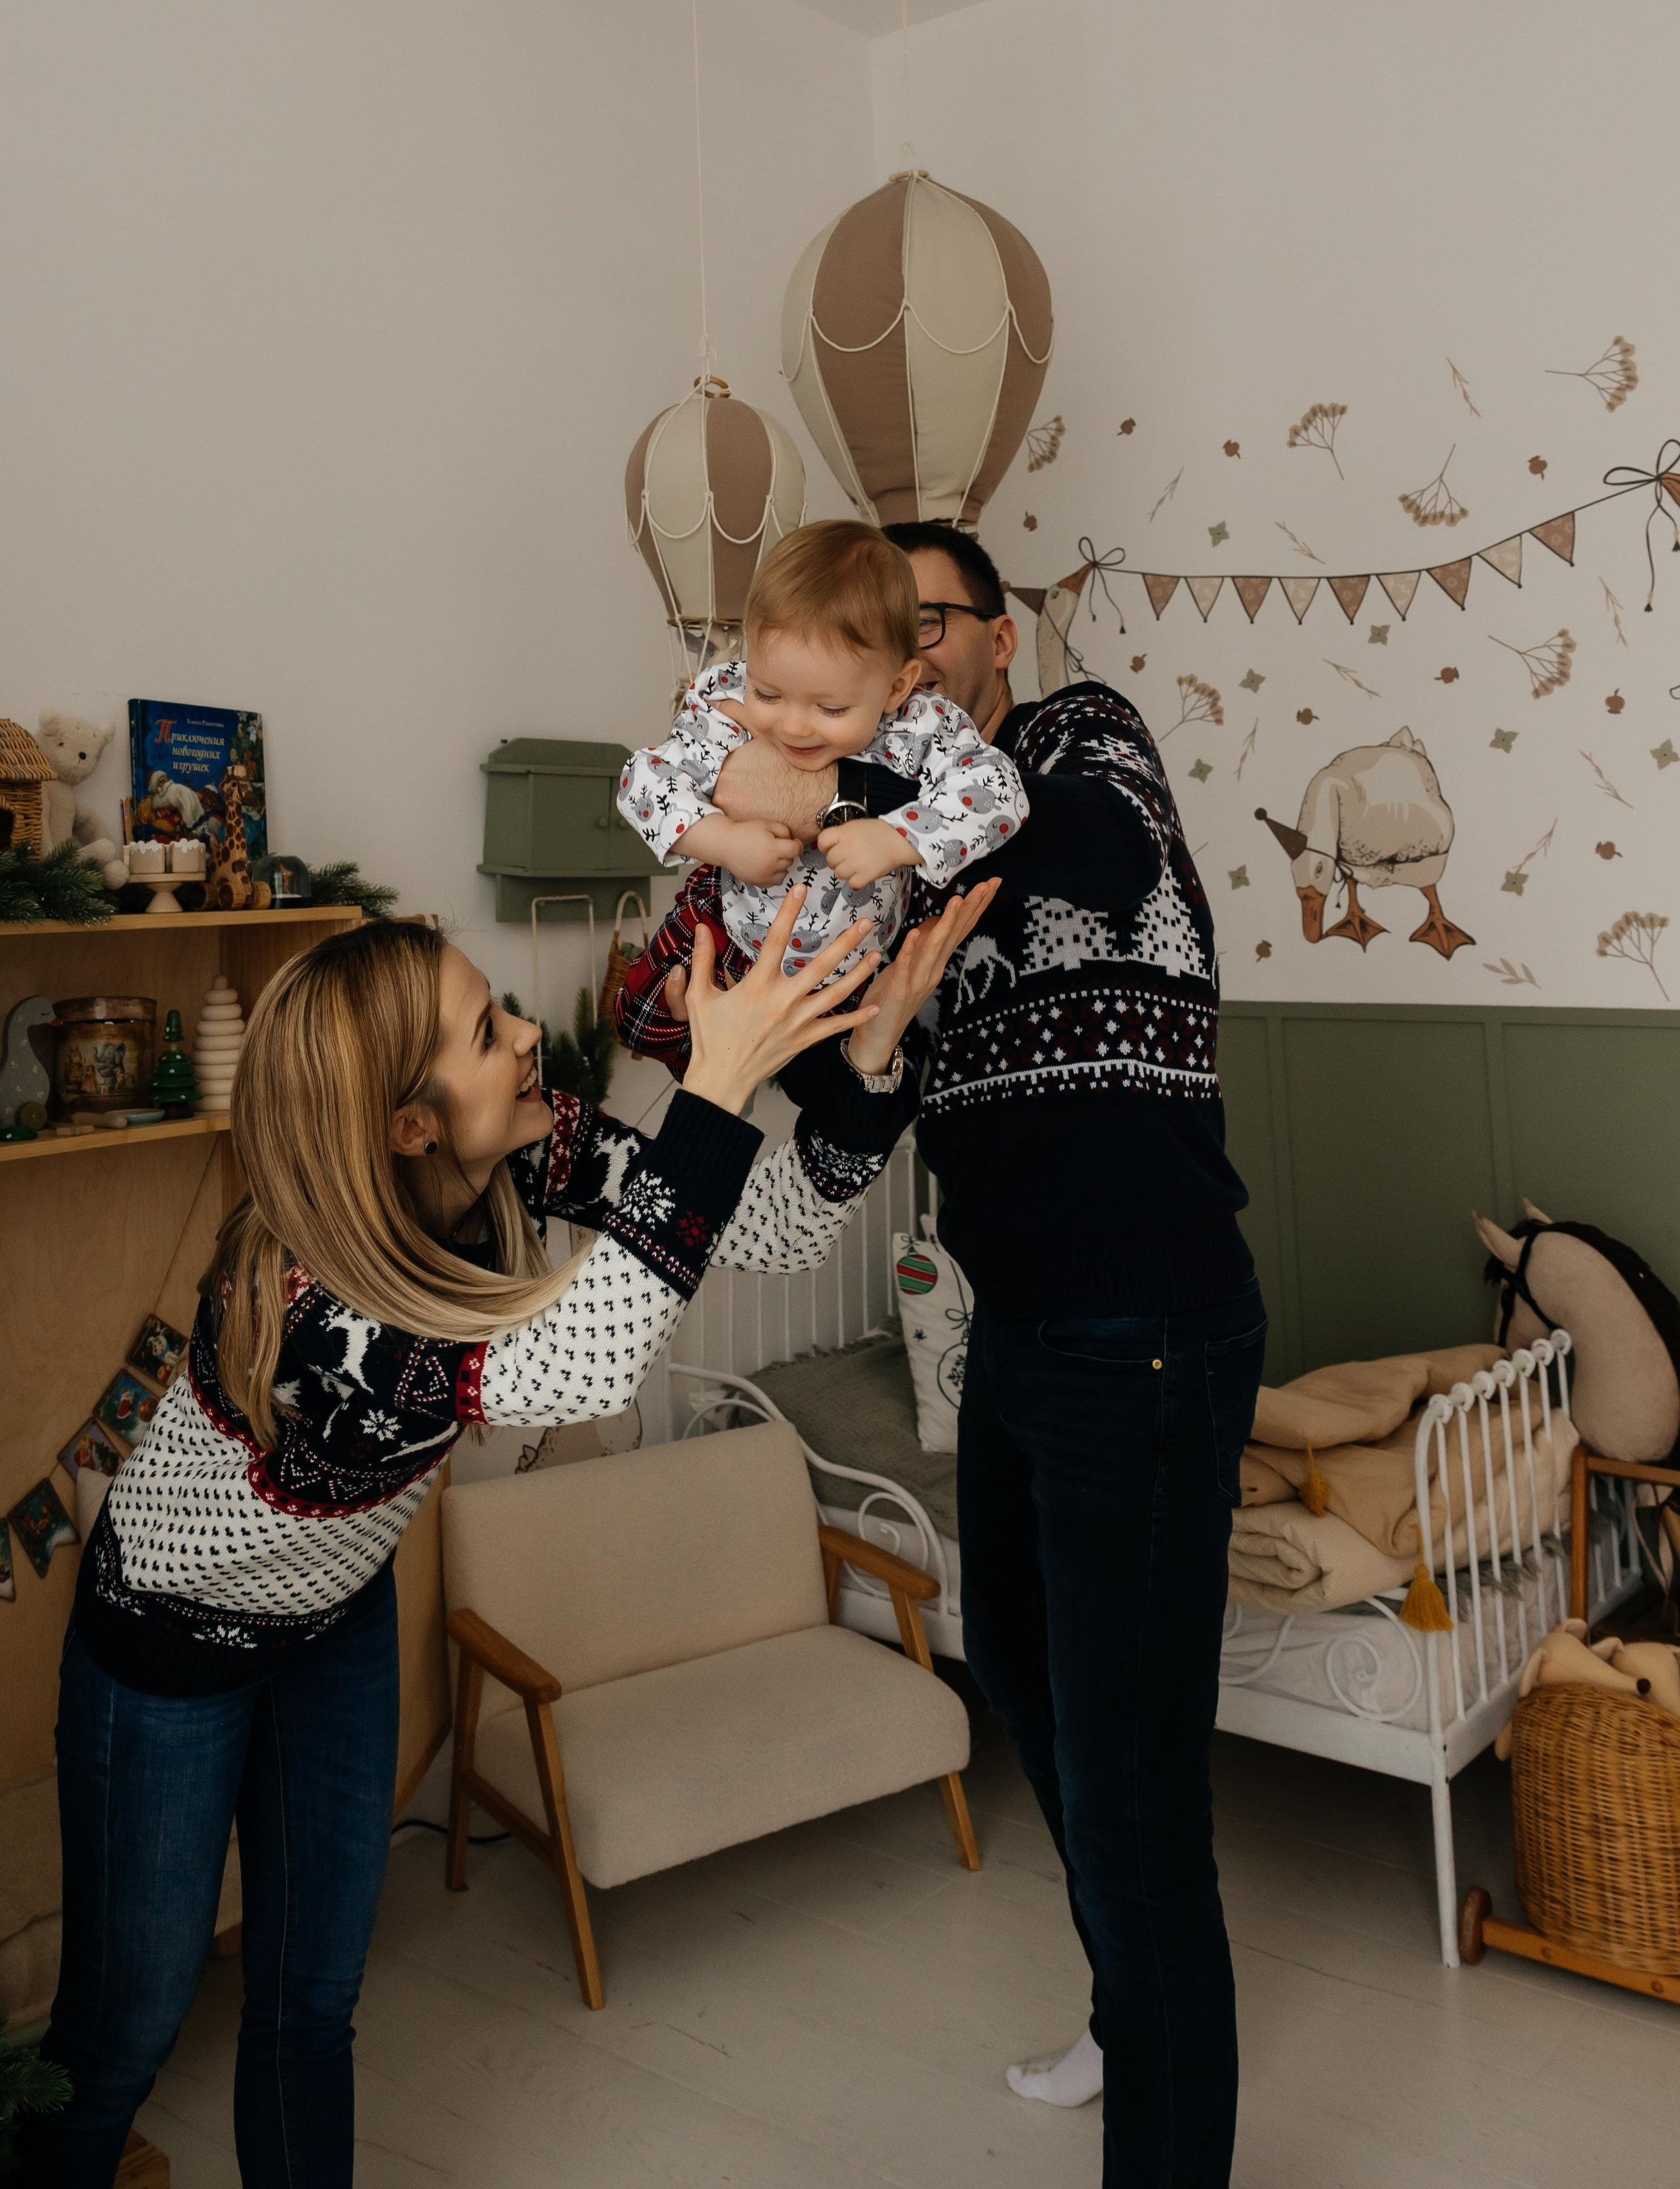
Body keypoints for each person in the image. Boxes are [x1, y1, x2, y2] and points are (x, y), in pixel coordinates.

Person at [26, 880, 994, 2189]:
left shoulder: (520, 1149)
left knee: (312, 1999)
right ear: (410, 1123)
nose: (530, 1032)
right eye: (489, 1031)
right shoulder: (317, 1312)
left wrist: (867, 1058)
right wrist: (710, 1084)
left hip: (335, 1622)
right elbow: (579, 1367)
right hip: (170, 1651)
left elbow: (753, 1226)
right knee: (121, 2033)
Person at [711, 521, 1265, 2189]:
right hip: (1017, 1344)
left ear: (989, 638)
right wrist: (824, 997)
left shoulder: (1068, 743)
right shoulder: (879, 861)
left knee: (1133, 1797)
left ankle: (1159, 2087)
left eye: (924, 622)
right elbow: (849, 1115)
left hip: (1147, 1334)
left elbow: (1094, 854)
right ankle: (1130, 1999)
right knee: (1026, 1693)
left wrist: (879, 825)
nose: (905, 652)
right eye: (878, 636)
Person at [614, 517, 1025, 1067]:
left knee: (842, 1084)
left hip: (854, 969)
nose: (794, 727)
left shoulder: (921, 725)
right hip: (729, 928)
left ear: (897, 685)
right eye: (769, 693)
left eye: (830, 709)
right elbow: (643, 779)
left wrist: (897, 837)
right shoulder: (727, 698)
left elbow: (1001, 792)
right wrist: (724, 842)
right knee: (642, 1019)